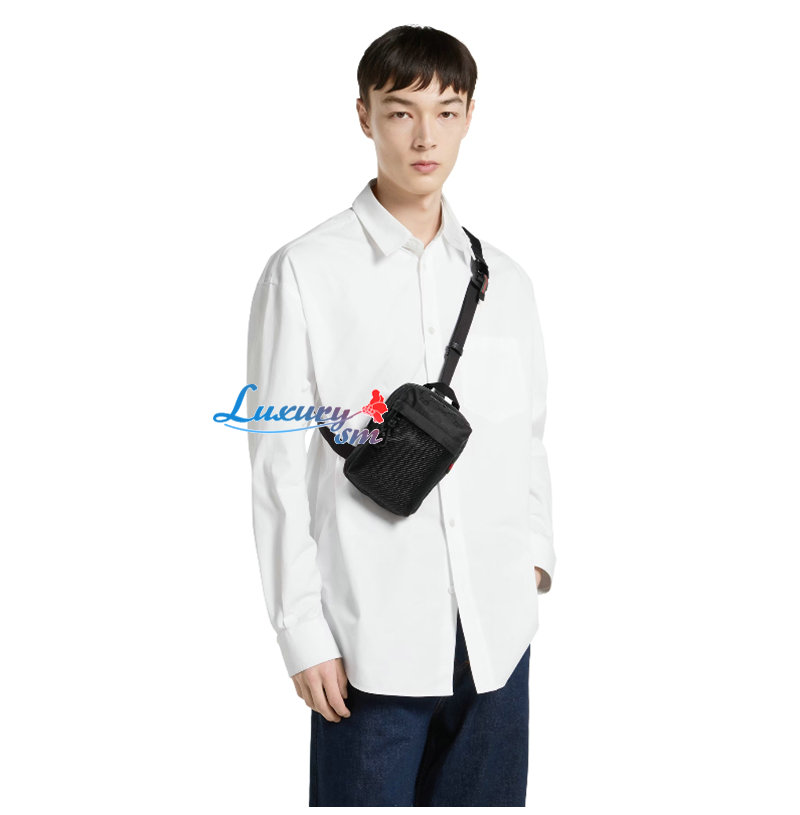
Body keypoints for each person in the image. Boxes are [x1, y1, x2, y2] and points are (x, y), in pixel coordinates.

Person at [246, 24, 556, 807]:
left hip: (496, 640)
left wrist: (534, 560)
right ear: (364, 115)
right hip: (369, 642)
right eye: (401, 112)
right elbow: (275, 465)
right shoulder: (304, 271)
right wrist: (301, 631)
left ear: (470, 116)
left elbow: (527, 436)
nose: (426, 137)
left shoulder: (506, 280)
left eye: (446, 112)